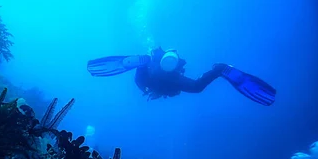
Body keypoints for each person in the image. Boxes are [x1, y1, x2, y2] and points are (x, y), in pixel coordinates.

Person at [87, 47, 276, 106]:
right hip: (165, 76)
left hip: (156, 73)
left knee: (144, 77)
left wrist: (147, 86)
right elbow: (142, 82)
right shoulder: (159, 83)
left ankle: (142, 61)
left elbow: (140, 82)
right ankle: (220, 69)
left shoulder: (149, 85)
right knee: (197, 87)